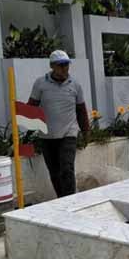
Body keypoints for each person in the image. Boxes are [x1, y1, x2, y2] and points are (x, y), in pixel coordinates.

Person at [28, 50, 89, 198]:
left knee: (67, 169)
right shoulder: (40, 84)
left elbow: (81, 110)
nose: (64, 69)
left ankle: (70, 200)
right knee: (54, 172)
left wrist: (86, 131)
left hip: (69, 133)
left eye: (66, 65)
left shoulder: (75, 85)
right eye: (60, 65)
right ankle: (61, 200)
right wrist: (24, 126)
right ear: (52, 66)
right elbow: (32, 107)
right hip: (47, 135)